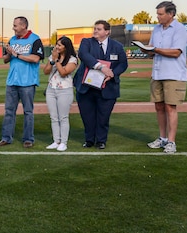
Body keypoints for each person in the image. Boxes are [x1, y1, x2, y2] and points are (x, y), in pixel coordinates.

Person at [142, 2, 187, 153]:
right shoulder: (156, 29)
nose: (158, 17)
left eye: (160, 14)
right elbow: (152, 49)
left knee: (170, 107)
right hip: (157, 73)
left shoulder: (180, 29)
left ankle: (171, 141)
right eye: (157, 14)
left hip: (174, 74)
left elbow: (176, 52)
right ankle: (162, 138)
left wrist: (155, 50)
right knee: (159, 106)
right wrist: (147, 50)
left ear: (171, 14)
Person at [73, 20, 128, 149]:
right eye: (95, 28)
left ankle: (101, 140)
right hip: (86, 87)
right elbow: (84, 55)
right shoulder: (87, 42)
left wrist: (112, 73)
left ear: (107, 32)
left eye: (98, 29)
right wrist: (101, 67)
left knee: (103, 117)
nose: (95, 31)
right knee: (87, 116)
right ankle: (89, 140)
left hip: (107, 87)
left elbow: (123, 64)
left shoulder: (117, 46)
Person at [0, 16, 45, 148]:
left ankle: (28, 139)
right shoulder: (12, 40)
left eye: (15, 25)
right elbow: (5, 60)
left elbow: (36, 58)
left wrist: (17, 54)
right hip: (12, 81)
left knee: (28, 112)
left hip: (28, 82)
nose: (13, 28)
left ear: (23, 26)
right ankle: (6, 138)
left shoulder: (35, 39)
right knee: (9, 111)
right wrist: (8, 53)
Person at [42, 36, 78, 151]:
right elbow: (46, 71)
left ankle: (64, 142)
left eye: (59, 45)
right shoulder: (53, 57)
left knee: (63, 117)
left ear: (66, 47)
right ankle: (56, 140)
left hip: (65, 90)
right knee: (53, 117)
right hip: (51, 89)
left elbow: (63, 72)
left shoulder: (72, 59)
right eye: (56, 44)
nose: (57, 47)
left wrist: (57, 60)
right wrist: (52, 60)